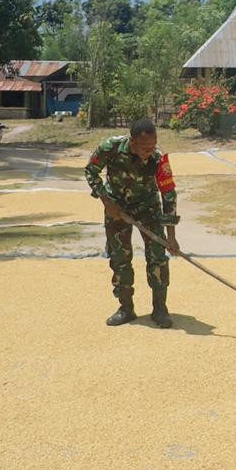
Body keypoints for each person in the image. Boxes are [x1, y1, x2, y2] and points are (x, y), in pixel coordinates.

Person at [85, 119, 180, 328]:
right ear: (133, 141)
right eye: (144, 147)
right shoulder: (110, 147)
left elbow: (168, 193)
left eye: (152, 146)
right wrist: (106, 201)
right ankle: (126, 309)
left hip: (148, 209)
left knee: (158, 258)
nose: (149, 151)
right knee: (120, 259)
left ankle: (160, 309)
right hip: (117, 208)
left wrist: (171, 237)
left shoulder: (159, 158)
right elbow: (91, 171)